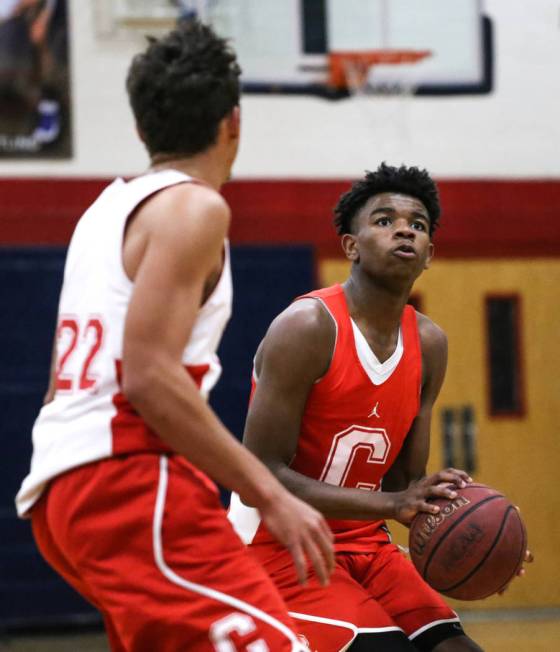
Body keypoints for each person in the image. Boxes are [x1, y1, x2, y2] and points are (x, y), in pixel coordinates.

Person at [15, 20, 333, 652]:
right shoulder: (196, 208)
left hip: (62, 490)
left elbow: (62, 382)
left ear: (141, 128)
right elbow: (149, 375)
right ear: (233, 123)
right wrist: (269, 494)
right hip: (128, 482)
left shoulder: (103, 210)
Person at [228, 163, 486, 651]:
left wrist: (470, 529)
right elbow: (257, 473)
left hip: (368, 545)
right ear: (351, 246)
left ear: (429, 254)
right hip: (277, 544)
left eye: (419, 224)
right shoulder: (307, 327)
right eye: (384, 220)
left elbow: (403, 485)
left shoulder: (429, 344)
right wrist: (393, 505)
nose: (405, 228)